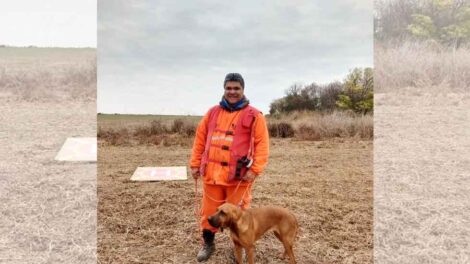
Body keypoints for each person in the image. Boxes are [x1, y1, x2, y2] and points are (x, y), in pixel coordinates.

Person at [190, 73, 270, 262]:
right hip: (212, 175)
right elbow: (199, 140)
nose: (232, 92)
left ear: (243, 90)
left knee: (237, 216)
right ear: (224, 89)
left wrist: (255, 169)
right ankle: (208, 243)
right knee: (209, 214)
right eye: (229, 88)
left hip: (239, 178)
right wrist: (194, 164)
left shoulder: (255, 116)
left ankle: (239, 248)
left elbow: (262, 145)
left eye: (236, 88)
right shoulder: (212, 113)